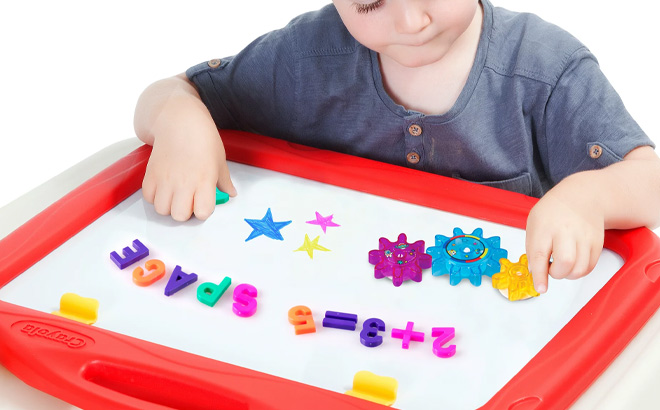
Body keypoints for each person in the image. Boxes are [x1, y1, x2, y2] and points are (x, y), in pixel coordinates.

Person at [133, 0, 660, 294]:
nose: (410, 21)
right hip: (339, 325)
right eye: (371, 1)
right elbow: (173, 91)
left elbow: (649, 180)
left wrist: (587, 198)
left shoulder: (546, 68)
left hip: (504, 329)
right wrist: (181, 122)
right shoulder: (306, 57)